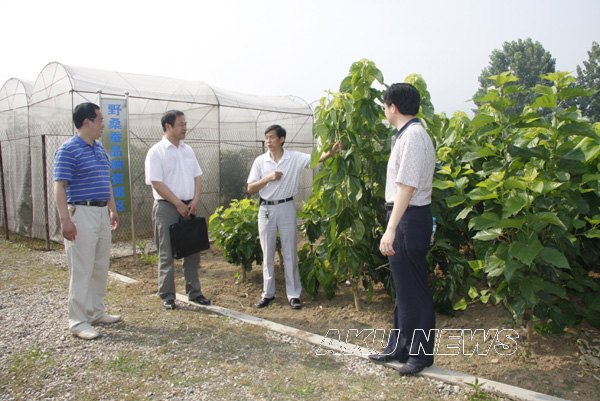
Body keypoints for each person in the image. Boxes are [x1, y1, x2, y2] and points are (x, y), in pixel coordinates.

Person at [368, 83, 436, 375]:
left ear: (392, 107)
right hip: (406, 216)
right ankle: (399, 347)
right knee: (405, 290)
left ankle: (420, 356)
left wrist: (391, 228)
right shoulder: (406, 136)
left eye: (385, 106)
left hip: (408, 216)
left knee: (415, 291)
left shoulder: (414, 137)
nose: (384, 111)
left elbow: (406, 187)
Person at [248, 125, 339, 309]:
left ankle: (294, 294)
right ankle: (268, 294)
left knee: (290, 252)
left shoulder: (294, 158)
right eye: (266, 137)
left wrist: (332, 150)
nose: (268, 141)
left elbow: (316, 159)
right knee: (267, 253)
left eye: (271, 137)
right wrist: (268, 178)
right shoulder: (260, 161)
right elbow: (250, 188)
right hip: (266, 209)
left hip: (286, 207)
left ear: (282, 139)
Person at [54, 102, 121, 340]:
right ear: (86, 122)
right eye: (100, 120)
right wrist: (65, 220)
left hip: (101, 212)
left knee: (100, 265)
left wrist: (112, 209)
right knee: (82, 268)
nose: (103, 124)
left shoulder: (99, 149)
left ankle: (96, 311)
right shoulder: (68, 150)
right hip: (81, 213)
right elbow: (60, 186)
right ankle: (78, 320)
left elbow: (106, 181)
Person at [144, 110, 210, 310]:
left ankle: (194, 292)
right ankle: (167, 295)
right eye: (181, 124)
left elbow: (197, 176)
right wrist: (177, 203)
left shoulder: (187, 150)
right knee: (167, 252)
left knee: (192, 250)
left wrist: (196, 199)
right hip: (167, 207)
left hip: (190, 206)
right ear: (168, 126)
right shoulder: (156, 152)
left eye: (185, 124)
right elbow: (156, 182)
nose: (185, 128)